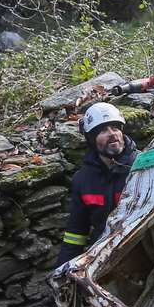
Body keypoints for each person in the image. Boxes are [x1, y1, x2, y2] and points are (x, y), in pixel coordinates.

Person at [55, 102, 138, 267]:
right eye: (103, 130)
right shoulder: (83, 179)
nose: (112, 134)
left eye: (115, 128)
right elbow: (76, 233)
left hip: (142, 249)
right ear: (91, 140)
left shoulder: (143, 165)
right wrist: (61, 270)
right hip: (103, 257)